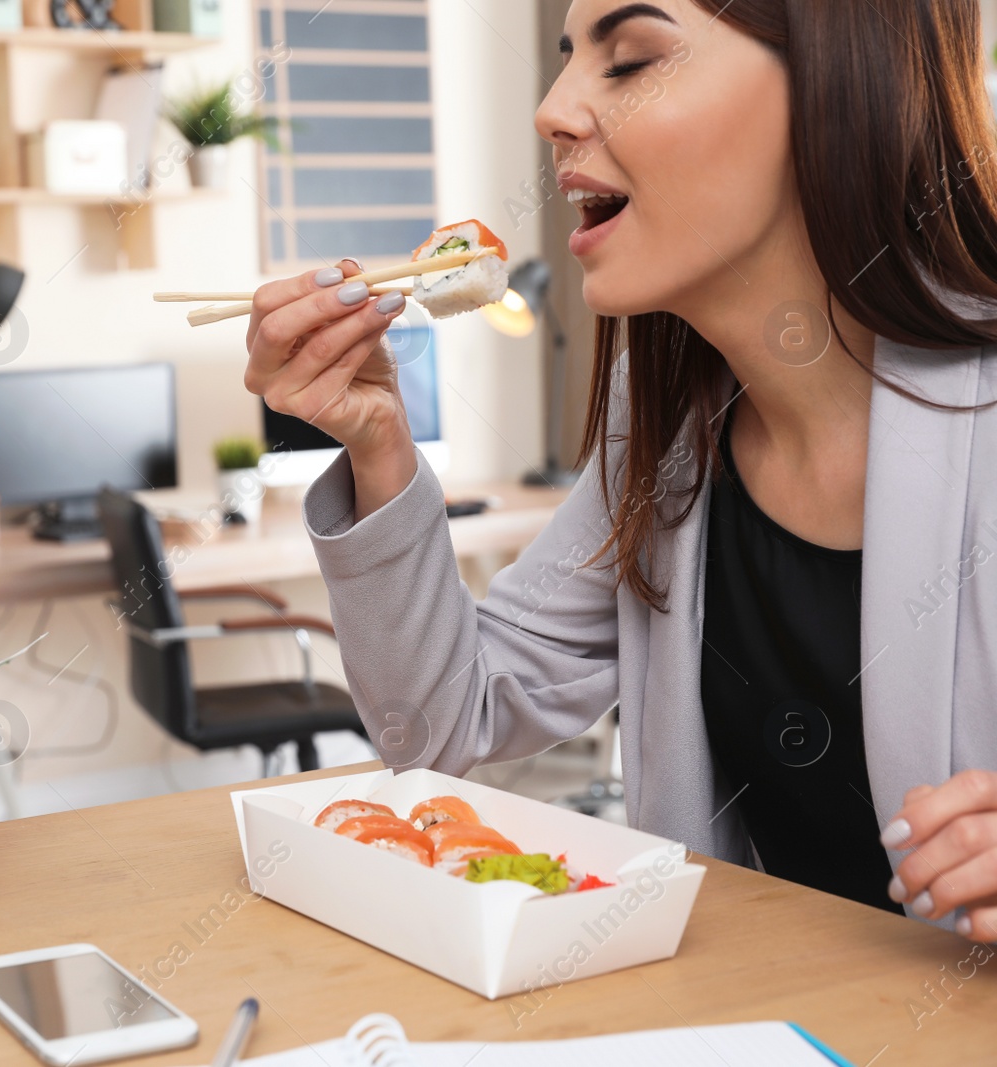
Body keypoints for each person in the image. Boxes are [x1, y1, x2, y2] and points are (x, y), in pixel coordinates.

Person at [245, 0, 997, 940]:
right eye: (566, 60)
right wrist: (377, 440)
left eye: (632, 59)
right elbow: (440, 722)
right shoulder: (672, 423)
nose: (552, 108)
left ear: (841, 82)